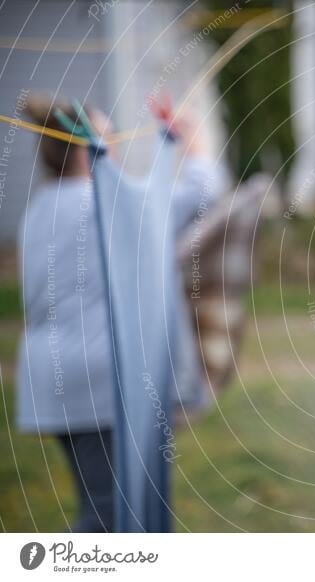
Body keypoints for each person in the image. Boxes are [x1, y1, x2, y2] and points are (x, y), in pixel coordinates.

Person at [15, 96, 223, 532]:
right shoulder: (105, 208)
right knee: (110, 514)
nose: (117, 151)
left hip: (53, 382)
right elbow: (199, 199)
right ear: (85, 150)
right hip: (98, 384)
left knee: (102, 505)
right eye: (111, 140)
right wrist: (197, 145)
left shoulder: (38, 210)